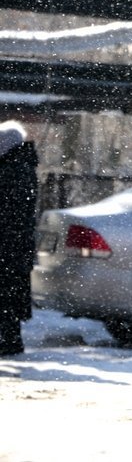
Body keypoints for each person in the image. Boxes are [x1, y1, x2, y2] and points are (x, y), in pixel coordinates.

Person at [0, 121, 39, 356]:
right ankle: (10, 339)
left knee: (7, 295)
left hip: (10, 245)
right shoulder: (21, 165)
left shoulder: (13, 170)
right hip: (15, 244)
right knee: (10, 295)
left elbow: (9, 210)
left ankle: (9, 341)